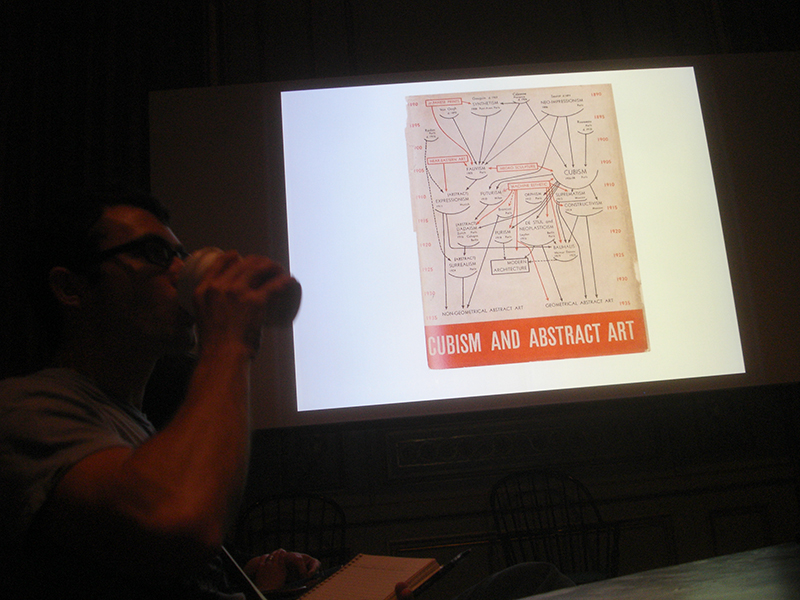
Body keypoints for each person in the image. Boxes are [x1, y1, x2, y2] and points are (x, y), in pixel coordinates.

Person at [0, 189, 573, 600]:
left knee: (532, 579)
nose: (180, 269)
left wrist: (250, 577)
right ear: (70, 288)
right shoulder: (25, 410)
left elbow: (142, 561)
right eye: (154, 254)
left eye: (181, 253)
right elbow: (178, 521)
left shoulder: (131, 426)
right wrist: (229, 338)